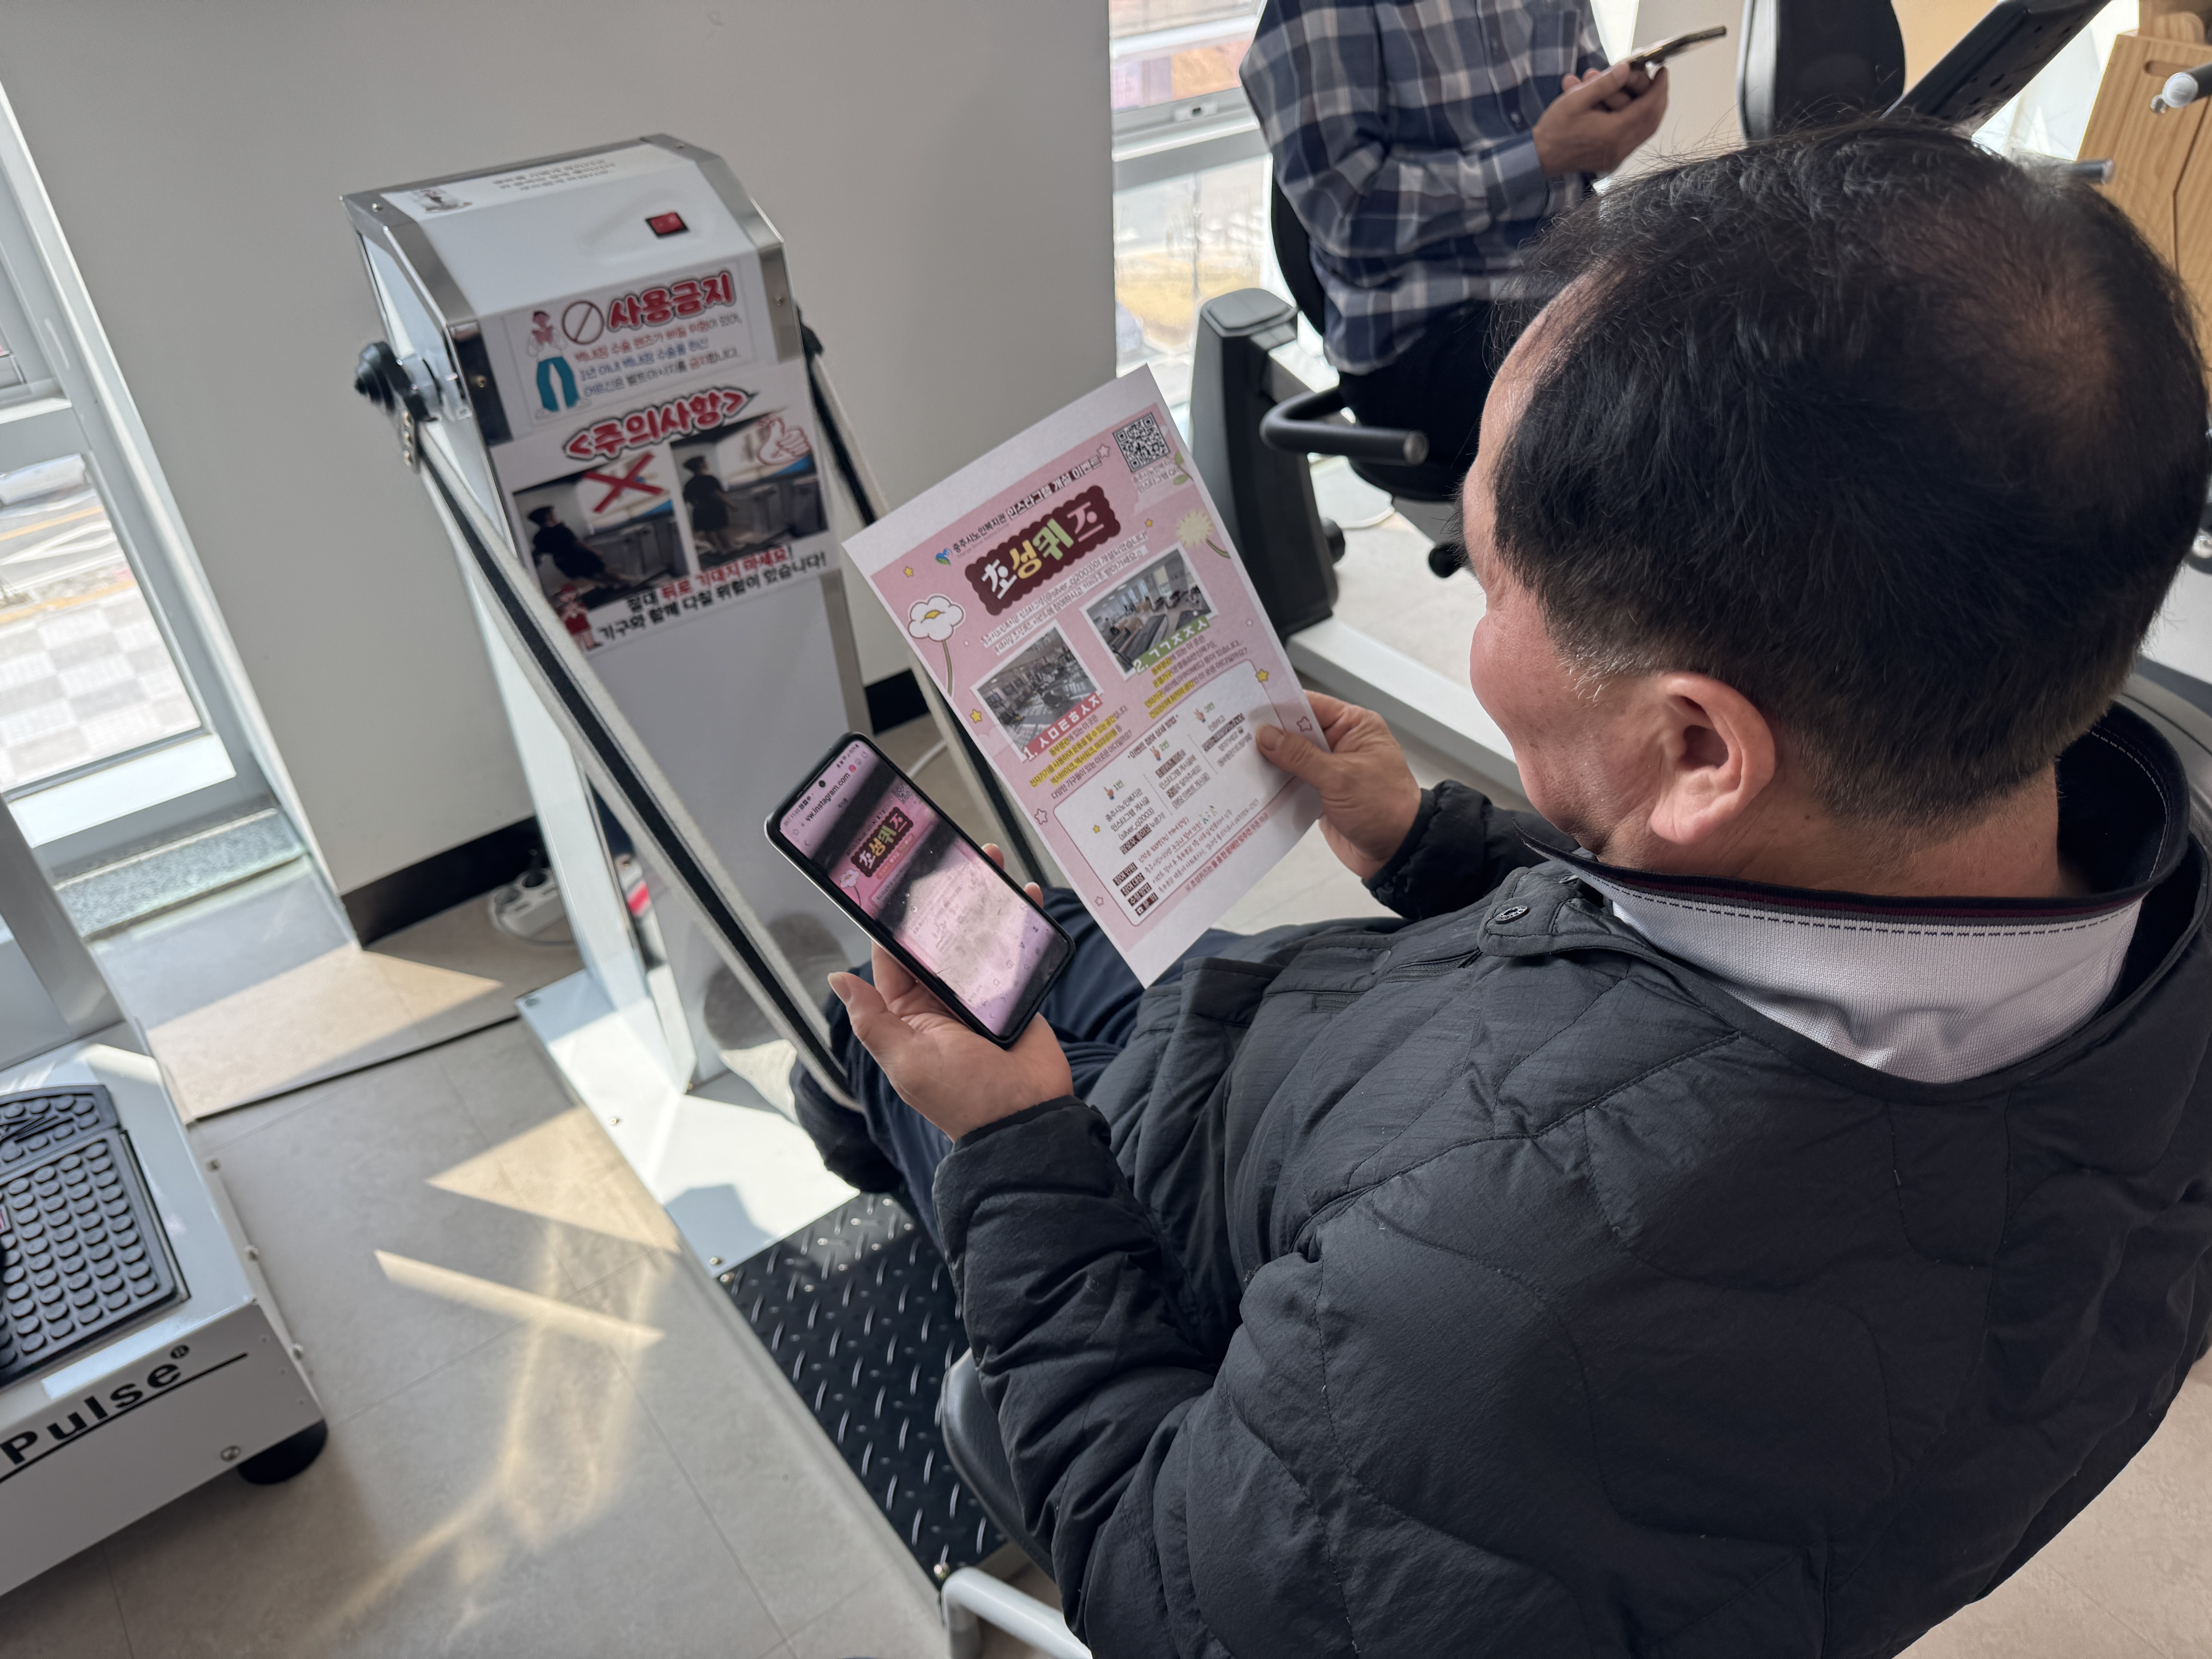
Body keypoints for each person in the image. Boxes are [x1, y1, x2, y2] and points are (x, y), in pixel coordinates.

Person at [795, 122, 2212, 1655]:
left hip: (1205, 1235)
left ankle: (873, 1135)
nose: (1476, 629)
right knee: (1035, 935)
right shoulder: (2101, 915)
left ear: (1697, 747)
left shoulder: (1491, 1326)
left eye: (1487, 581)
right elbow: (1725, 964)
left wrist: (1011, 1154)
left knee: (887, 1026)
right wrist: (1438, 847)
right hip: (1354, 1098)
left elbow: (1172, 1598)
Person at [1242, 0, 1668, 488]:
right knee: (1652, 410)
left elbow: (1581, 138)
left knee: (1719, 340)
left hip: (1569, 292)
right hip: (1423, 336)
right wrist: (1538, 157)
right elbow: (1346, 211)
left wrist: (1611, 126)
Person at [524, 506, 613, 593]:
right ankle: (616, 585)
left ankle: (609, 588)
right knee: (604, 572)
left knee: (591, 577)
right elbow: (577, 543)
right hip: (580, 556)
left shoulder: (538, 538)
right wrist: (595, 552)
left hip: (563, 562)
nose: (556, 516)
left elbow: (538, 553)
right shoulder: (561, 530)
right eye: (553, 514)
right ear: (548, 516)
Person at [681, 455, 741, 558]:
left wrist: (697, 504)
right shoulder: (710, 479)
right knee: (721, 529)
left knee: (708, 531)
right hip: (715, 508)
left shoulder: (689, 484)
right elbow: (716, 494)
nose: (707, 463)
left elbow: (687, 498)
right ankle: (728, 547)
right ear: (701, 465)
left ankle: (718, 549)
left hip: (700, 510)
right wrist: (731, 505)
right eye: (705, 462)